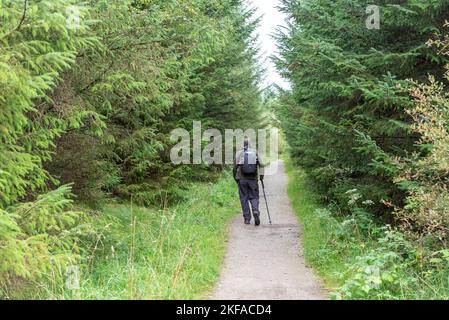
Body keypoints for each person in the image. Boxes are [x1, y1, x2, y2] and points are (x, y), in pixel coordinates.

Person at [233, 139, 264, 226]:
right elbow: (261, 165)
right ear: (250, 145)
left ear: (242, 145)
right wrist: (261, 176)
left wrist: (236, 179)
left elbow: (234, 168)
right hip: (253, 179)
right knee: (254, 197)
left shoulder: (238, 153)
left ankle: (247, 218)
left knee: (244, 198)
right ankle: (255, 211)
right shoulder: (255, 152)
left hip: (242, 180)